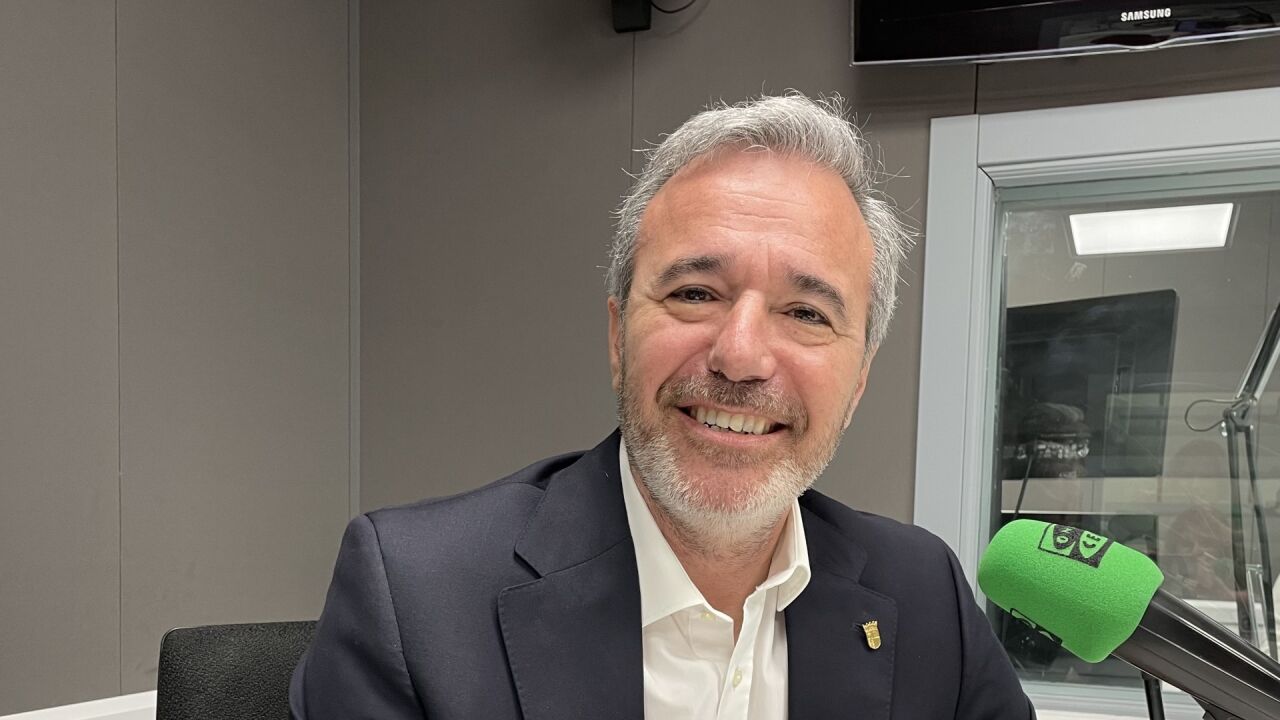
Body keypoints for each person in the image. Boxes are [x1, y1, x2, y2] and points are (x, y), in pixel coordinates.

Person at [289, 93, 1034, 719]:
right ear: (619, 337)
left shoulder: (926, 595)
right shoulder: (415, 595)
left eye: (806, 313)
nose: (740, 355)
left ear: (860, 379)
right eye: (695, 293)